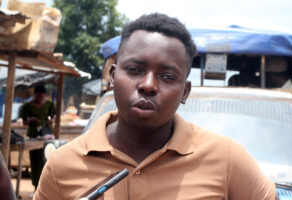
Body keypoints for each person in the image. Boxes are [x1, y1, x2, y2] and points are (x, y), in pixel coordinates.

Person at [34, 13, 278, 200]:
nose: (148, 85)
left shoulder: (227, 160)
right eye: (134, 70)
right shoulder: (62, 166)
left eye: (168, 76)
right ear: (112, 75)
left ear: (185, 92)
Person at [19, 84, 55, 189]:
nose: (40, 98)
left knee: (46, 161)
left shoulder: (49, 105)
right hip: (33, 136)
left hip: (46, 135)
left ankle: (46, 187)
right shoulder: (27, 106)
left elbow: (53, 118)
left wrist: (50, 121)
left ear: (45, 95)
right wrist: (31, 120)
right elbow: (24, 122)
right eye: (38, 96)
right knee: (35, 162)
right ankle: (36, 187)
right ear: (34, 95)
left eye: (42, 96)